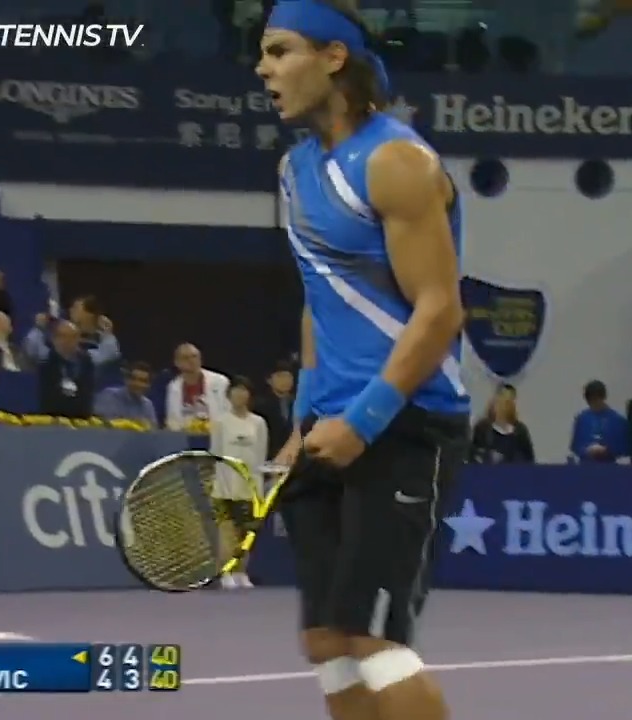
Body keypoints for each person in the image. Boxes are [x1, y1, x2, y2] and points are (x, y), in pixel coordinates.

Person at [257, 2, 470, 720]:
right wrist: (302, 422)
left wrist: (363, 421)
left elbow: (440, 308)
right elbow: (321, 301)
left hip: (405, 422)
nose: (263, 69)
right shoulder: (294, 170)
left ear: (333, 57)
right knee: (328, 641)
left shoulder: (396, 162)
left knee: (376, 640)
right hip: (329, 426)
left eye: (280, 51)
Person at [209, 376, 269, 589]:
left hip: (250, 485)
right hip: (226, 485)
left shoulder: (259, 423)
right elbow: (216, 454)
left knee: (246, 533)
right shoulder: (220, 422)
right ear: (228, 395)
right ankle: (225, 572)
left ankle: (241, 572)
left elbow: (260, 456)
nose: (240, 394)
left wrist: (257, 486)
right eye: (235, 390)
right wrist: (221, 482)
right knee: (227, 531)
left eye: (244, 390)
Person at [469, 385, 535, 463]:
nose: (502, 407)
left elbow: (529, 460)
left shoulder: (520, 430)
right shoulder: (483, 428)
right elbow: (474, 456)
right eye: (499, 401)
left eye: (508, 402)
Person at [569, 380, 629, 463]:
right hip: (585, 467)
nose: (594, 404)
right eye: (591, 401)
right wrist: (587, 450)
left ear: (603, 398)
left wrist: (607, 450)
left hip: (609, 467)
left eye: (596, 399)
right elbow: (575, 447)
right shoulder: (581, 419)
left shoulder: (618, 420)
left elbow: (625, 449)